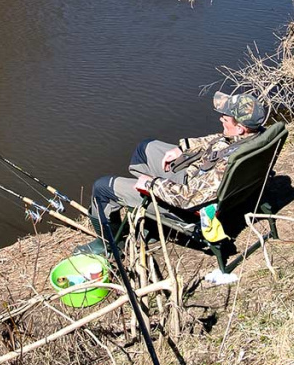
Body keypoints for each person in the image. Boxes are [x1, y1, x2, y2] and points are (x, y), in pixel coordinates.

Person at [73, 91, 267, 256]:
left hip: (185, 206)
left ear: (240, 128)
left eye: (225, 119)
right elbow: (220, 139)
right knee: (145, 148)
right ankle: (143, 210)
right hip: (195, 179)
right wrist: (184, 148)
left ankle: (109, 245)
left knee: (102, 188)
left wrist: (151, 184)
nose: (220, 119)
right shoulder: (254, 137)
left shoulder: (227, 165)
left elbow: (188, 199)